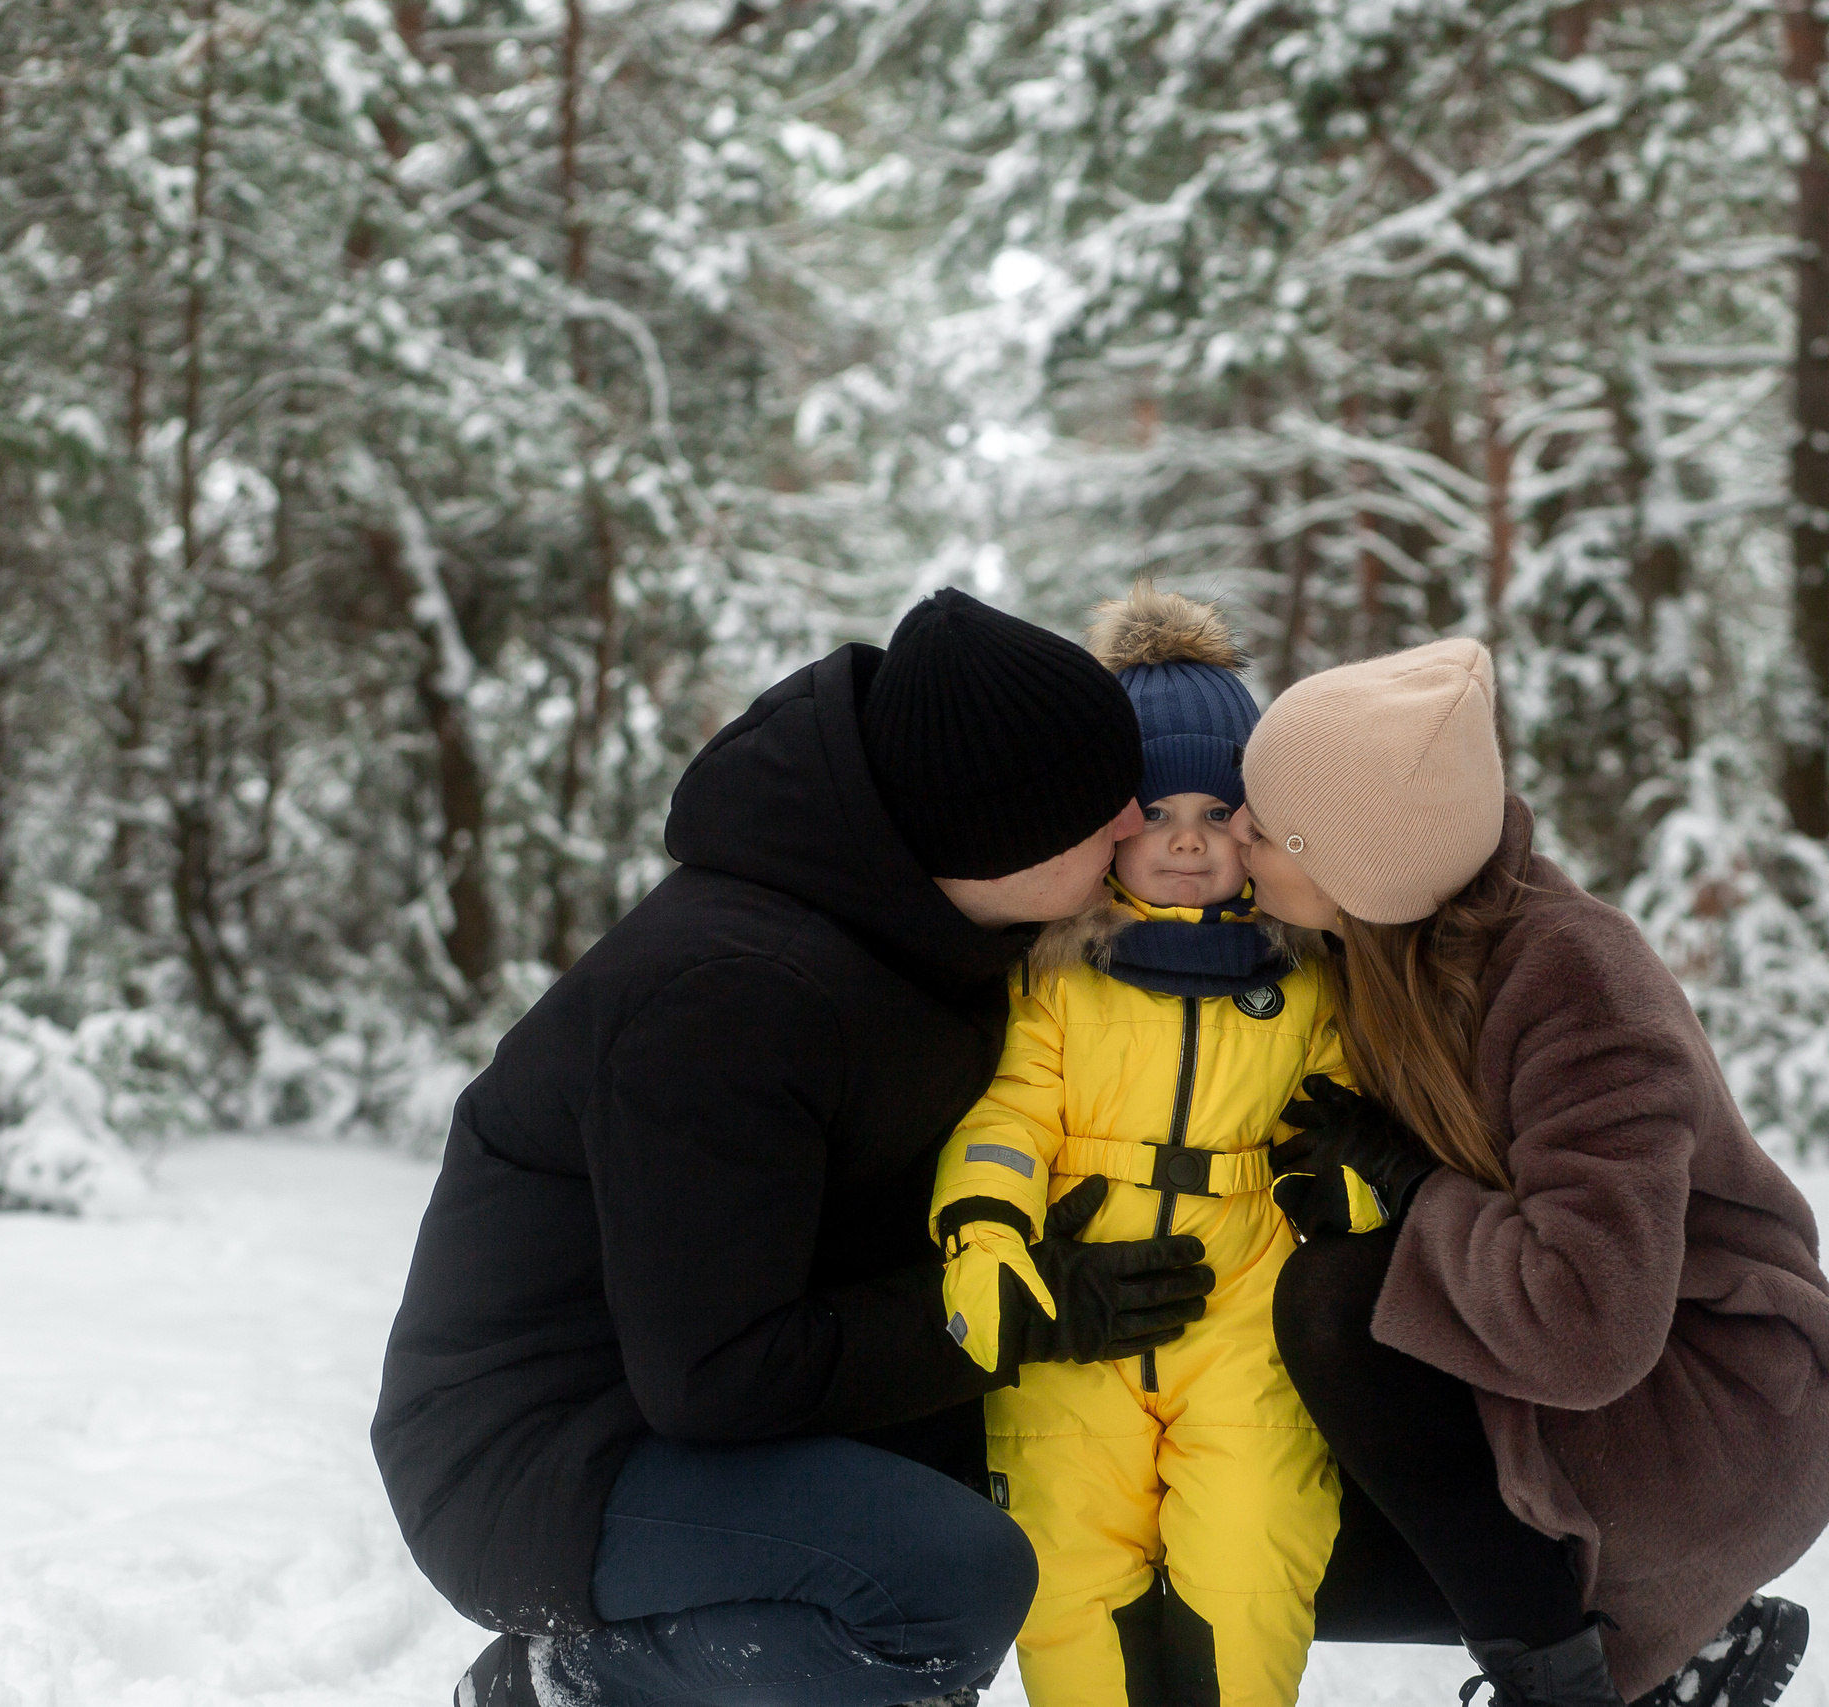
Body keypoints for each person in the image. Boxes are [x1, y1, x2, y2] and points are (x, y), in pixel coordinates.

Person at [371, 589, 1220, 1707]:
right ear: (997, 834)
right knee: (944, 1574)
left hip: (687, 1394)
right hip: (545, 1453)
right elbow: (715, 1376)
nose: (1133, 825)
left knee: (1045, 1472)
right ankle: (570, 1682)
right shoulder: (733, 995)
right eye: (1097, 808)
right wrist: (1029, 1306)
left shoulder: (916, 927)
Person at [1233, 640, 1829, 1707]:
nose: (1238, 836)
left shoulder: (1576, 982)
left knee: (1335, 1302)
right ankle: (1690, 1652)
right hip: (1582, 1391)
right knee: (1249, 1539)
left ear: (1351, 855)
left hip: (1713, 1409)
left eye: (1266, 823)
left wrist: (1409, 1189)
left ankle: (1574, 1682)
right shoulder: (1385, 946)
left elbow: (1586, 1324)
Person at [927, 585, 1368, 1707]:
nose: (1185, 843)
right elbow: (1009, 1114)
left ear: (1260, 826)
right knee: (1067, 1566)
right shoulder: (1057, 972)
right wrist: (985, 1227)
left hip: (1247, 1313)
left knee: (1254, 1550)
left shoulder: (1306, 972)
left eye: (1218, 815)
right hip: (1078, 1308)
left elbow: (1350, 1098)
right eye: (1155, 812)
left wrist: (1356, 1180)